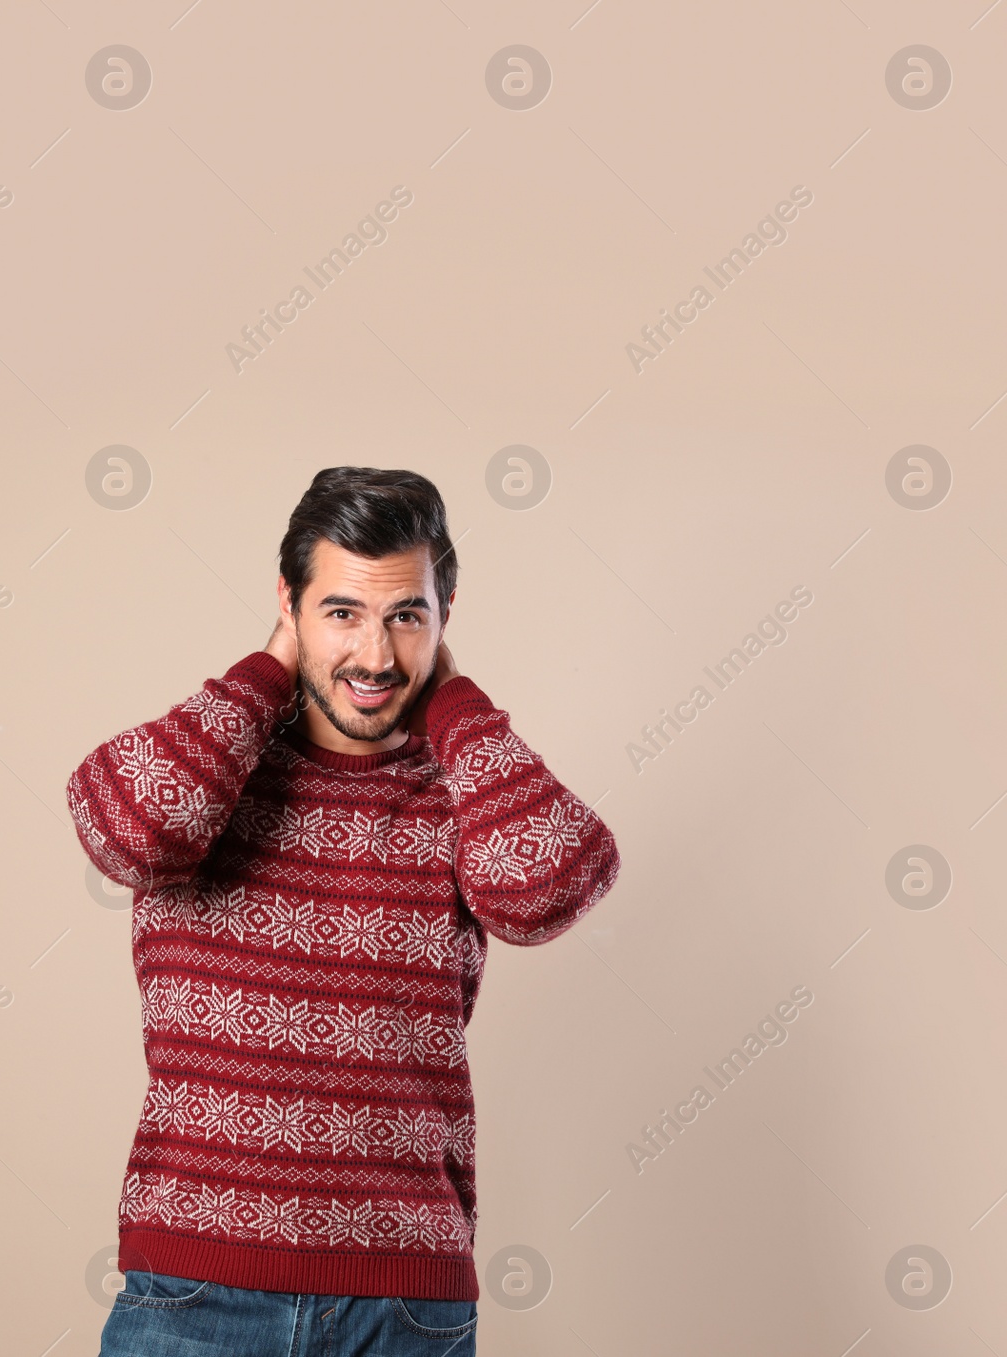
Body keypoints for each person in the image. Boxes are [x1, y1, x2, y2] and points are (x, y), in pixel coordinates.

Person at [67, 466, 622, 1355]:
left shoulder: (463, 791)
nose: (373, 655)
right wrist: (265, 672)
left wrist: (455, 703)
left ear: (445, 618)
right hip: (196, 1296)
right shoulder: (211, 770)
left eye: (406, 615)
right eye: (342, 612)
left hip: (403, 1311)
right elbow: (132, 828)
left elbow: (550, 883)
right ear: (287, 603)